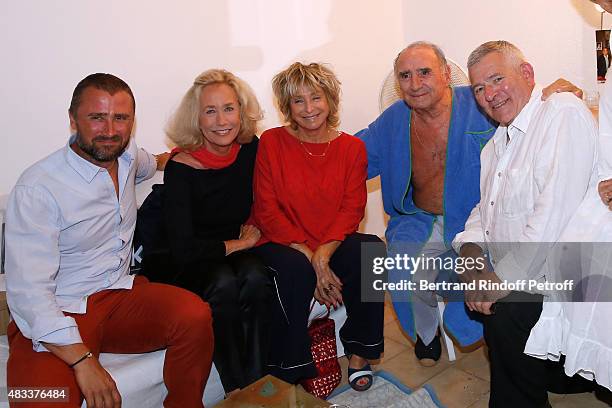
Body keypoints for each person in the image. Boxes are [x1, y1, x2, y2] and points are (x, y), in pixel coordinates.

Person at [357, 41, 583, 366]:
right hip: (417, 218)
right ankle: (427, 335)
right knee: (400, 272)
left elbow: (522, 111)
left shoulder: (479, 103)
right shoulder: (392, 120)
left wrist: (550, 96)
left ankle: (478, 327)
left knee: (482, 268)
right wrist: (307, 140)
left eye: (424, 72)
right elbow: (349, 158)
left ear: (447, 74)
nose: (415, 83)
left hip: (471, 217)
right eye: (405, 76)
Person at [4, 73, 214, 408]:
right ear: (73, 120)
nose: (111, 130)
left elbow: (148, 163)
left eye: (121, 118)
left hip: (118, 296)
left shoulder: (126, 153)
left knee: (195, 315)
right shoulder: (38, 188)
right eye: (97, 117)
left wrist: (175, 158)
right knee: (40, 400)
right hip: (59, 310)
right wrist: (83, 361)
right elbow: (28, 293)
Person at [452, 40, 597, 407]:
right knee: (486, 296)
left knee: (505, 309)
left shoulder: (561, 112)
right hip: (525, 270)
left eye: (497, 78)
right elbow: (483, 214)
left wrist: (497, 282)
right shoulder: (495, 145)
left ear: (527, 74)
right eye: (480, 88)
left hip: (567, 272)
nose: (489, 94)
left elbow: (553, 215)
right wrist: (472, 264)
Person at [251, 62, 386, 392]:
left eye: (316, 97)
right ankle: (292, 367)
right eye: (298, 101)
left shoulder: (352, 148)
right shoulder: (271, 141)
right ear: (287, 107)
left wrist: (323, 256)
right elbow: (266, 209)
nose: (309, 109)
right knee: (296, 269)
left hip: (329, 240)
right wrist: (311, 257)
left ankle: (359, 351)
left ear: (330, 100)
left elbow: (352, 208)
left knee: (371, 251)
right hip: (282, 241)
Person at [153, 69, 274, 394]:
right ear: (197, 118)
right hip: (187, 260)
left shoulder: (250, 149)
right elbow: (183, 249)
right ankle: (236, 389)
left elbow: (270, 193)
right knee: (222, 282)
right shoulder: (182, 168)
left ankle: (261, 383)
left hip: (233, 251)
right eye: (210, 111)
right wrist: (240, 243)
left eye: (229, 108)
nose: (222, 120)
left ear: (241, 111)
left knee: (256, 274)